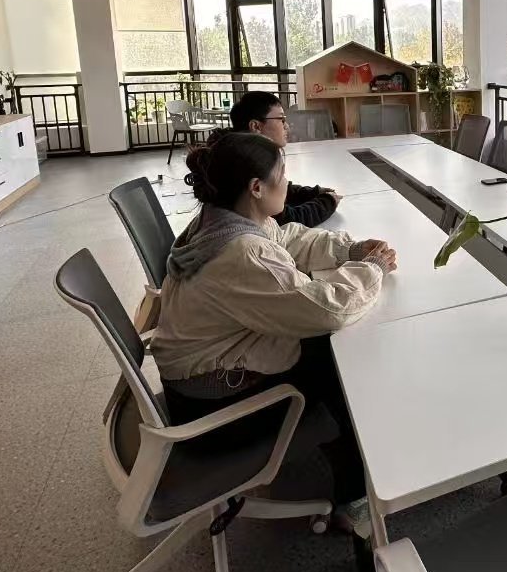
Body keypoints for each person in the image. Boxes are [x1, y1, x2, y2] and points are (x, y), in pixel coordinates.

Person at [152, 129, 397, 532]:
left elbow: (285, 238)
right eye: (282, 174)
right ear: (256, 188)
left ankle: (353, 469)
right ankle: (354, 499)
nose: (287, 182)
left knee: (328, 347)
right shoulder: (241, 253)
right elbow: (325, 308)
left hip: (195, 385)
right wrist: (372, 268)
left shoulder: (220, 220)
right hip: (216, 416)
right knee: (342, 363)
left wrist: (348, 250)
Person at [230, 91, 340, 227]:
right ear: (256, 126)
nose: (287, 126)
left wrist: (314, 192)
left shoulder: (241, 151)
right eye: (281, 120)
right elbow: (285, 219)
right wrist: (328, 202)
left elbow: (278, 187)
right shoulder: (244, 164)